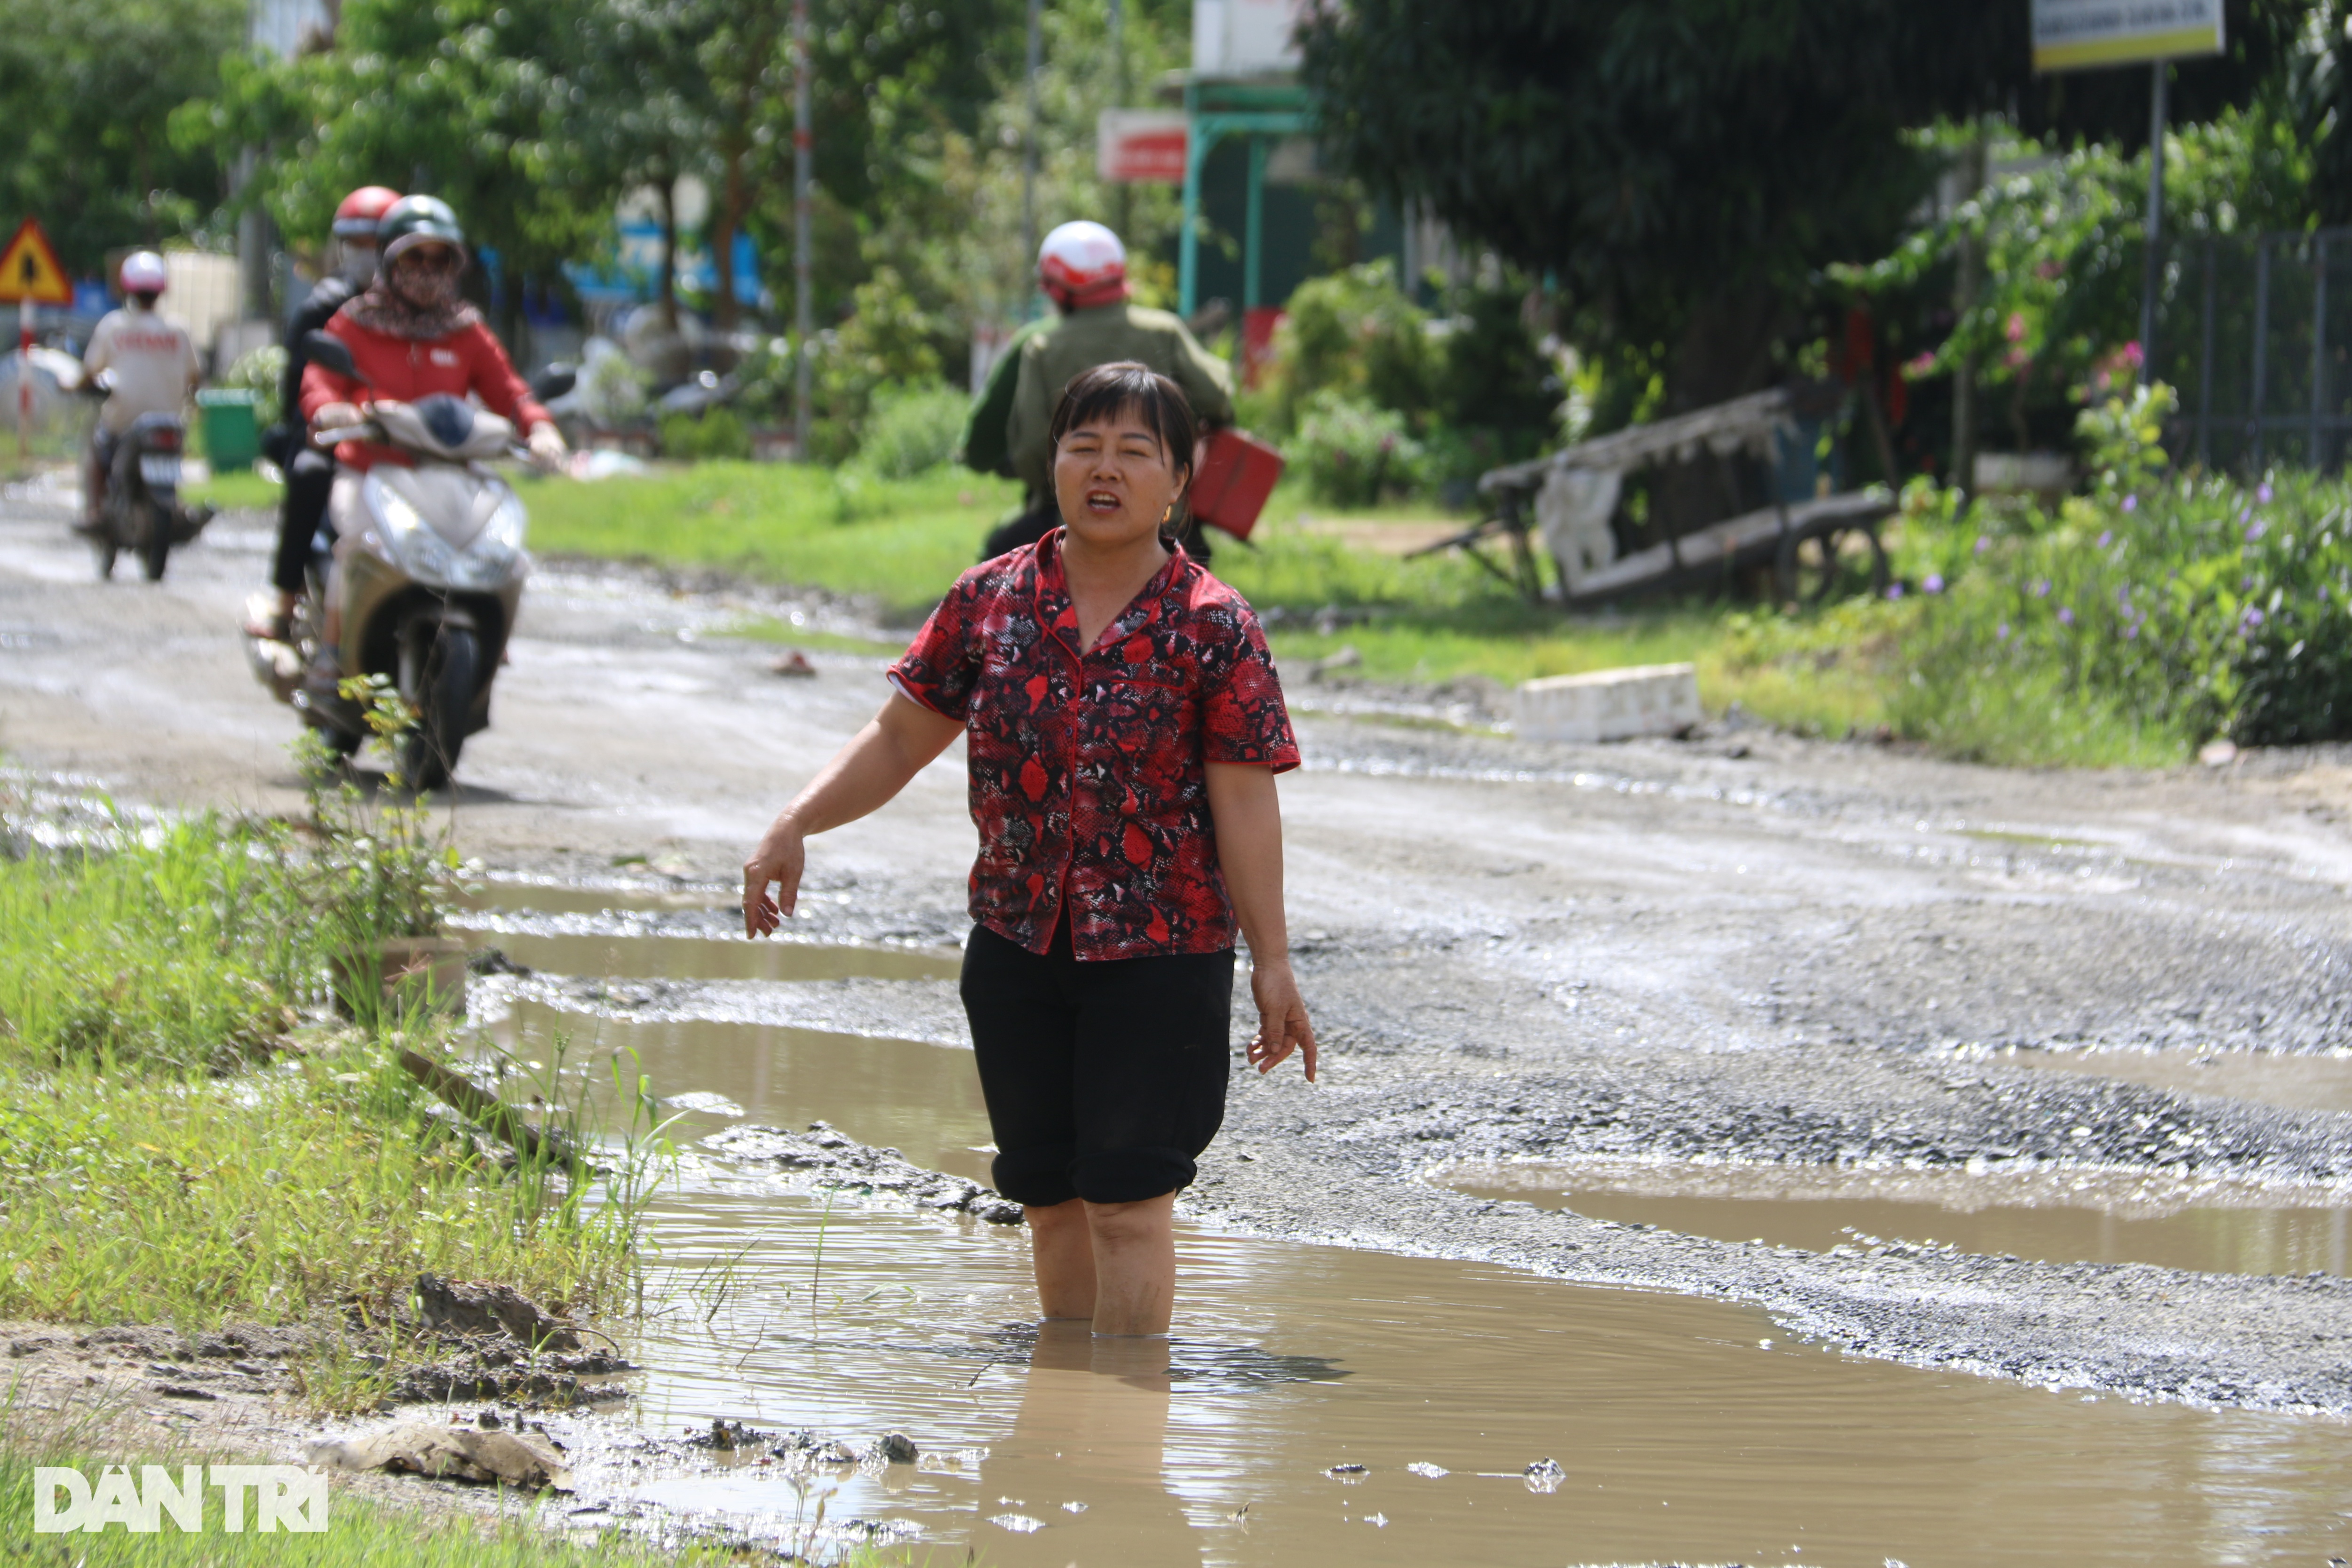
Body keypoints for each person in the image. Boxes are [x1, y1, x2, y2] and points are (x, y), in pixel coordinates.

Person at [743, 361, 1315, 1337]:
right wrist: (794, 822)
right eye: (1083, 446)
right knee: (1048, 1200)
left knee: (1130, 1206)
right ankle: (1073, 1414)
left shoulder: (1214, 626)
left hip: (1161, 955)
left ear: (1179, 479)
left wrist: (1271, 961)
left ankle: (1126, 1429)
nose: (1105, 469)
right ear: (1051, 463)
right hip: (1015, 946)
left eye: (1136, 451)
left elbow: (1244, 803)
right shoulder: (990, 600)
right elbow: (898, 737)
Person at [298, 194, 567, 700]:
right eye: (413, 257)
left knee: (506, 557)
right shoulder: (356, 321)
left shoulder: (466, 330)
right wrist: (331, 408)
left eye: (438, 258)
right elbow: (321, 379)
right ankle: (332, 657)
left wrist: (541, 429)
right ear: (389, 260)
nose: (426, 270)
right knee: (356, 548)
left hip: (452, 477)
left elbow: (510, 391)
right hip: (371, 473)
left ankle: (490, 643)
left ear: (455, 264)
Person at [975, 221, 1235, 562]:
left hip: (1069, 520)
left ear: (1056, 289)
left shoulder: (1044, 347)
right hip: (1166, 518)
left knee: (998, 562)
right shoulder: (1164, 330)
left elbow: (1030, 448)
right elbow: (1218, 398)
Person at [244, 184, 401, 643]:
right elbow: (299, 390)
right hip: (329, 434)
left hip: (400, 438)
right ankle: (286, 600)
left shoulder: (421, 312)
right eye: (356, 244)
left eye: (376, 244)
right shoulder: (324, 307)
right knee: (311, 474)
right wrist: (323, 419)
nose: (366, 255)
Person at [79, 251, 201, 533]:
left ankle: (95, 511)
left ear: (127, 287)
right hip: (170, 421)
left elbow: (89, 373)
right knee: (175, 457)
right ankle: (178, 507)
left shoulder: (114, 326)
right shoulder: (178, 329)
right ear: (162, 290)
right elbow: (195, 375)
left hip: (123, 421)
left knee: (97, 450)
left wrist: (78, 385)